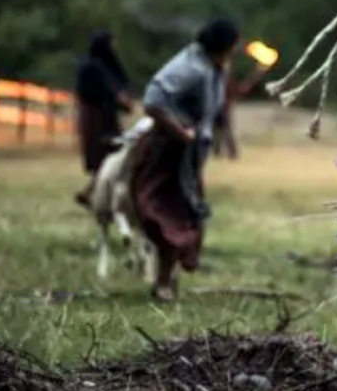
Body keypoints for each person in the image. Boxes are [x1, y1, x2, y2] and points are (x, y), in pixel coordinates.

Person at [131, 18, 240, 301]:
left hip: (188, 159)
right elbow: (153, 100)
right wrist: (180, 132)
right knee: (168, 214)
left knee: (186, 215)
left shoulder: (213, 68)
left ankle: (165, 279)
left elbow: (214, 111)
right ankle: (163, 283)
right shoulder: (190, 67)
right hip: (166, 152)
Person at [73, 30, 135, 207]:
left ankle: (91, 193)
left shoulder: (101, 65)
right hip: (97, 118)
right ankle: (93, 194)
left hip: (104, 116)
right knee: (109, 156)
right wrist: (123, 101)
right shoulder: (93, 67)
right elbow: (110, 91)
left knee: (112, 156)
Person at [211, 62, 271, 160]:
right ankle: (220, 152)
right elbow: (240, 89)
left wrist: (257, 73)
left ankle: (228, 153)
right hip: (217, 109)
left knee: (224, 131)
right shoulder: (217, 80)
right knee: (218, 132)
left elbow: (240, 90)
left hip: (223, 109)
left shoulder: (225, 81)